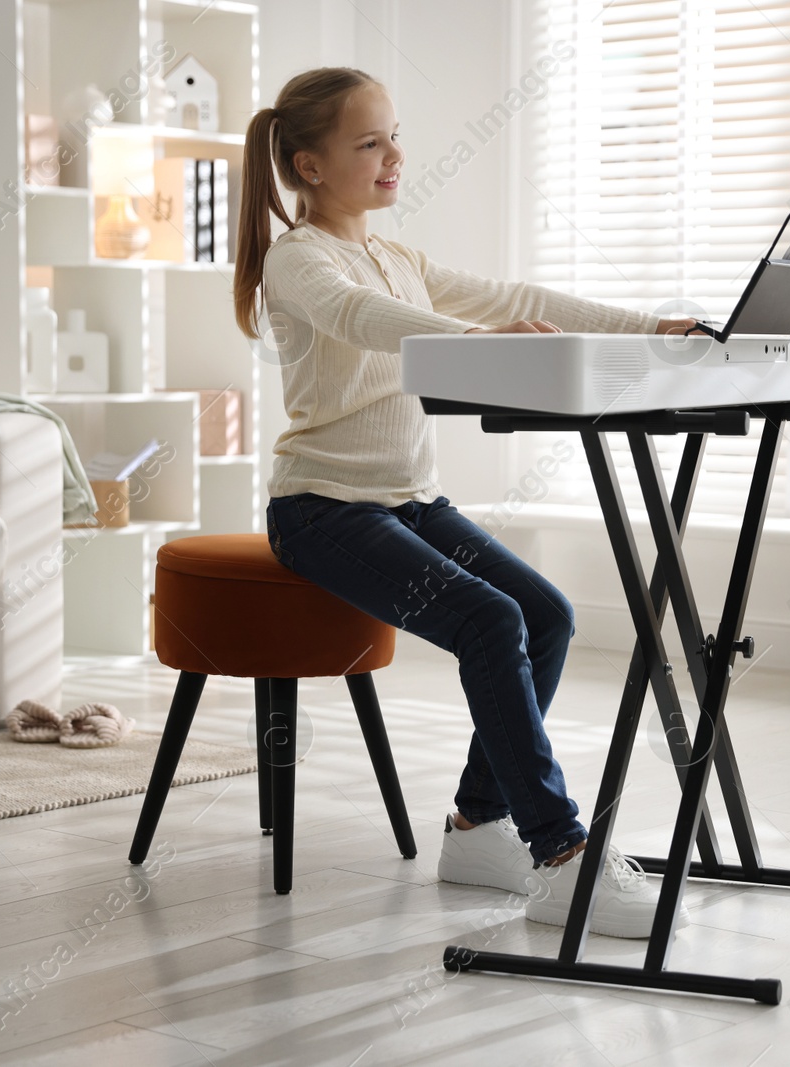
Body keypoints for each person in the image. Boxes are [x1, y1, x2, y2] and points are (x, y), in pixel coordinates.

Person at [234, 66, 697, 939]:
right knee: (491, 621)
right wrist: (480, 343)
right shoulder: (301, 260)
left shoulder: (396, 255)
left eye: (393, 135)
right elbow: (365, 319)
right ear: (308, 165)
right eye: (369, 142)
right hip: (323, 511)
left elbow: (518, 299)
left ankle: (479, 825)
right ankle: (562, 855)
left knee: (546, 614)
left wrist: (647, 326)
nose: (394, 155)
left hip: (407, 502)